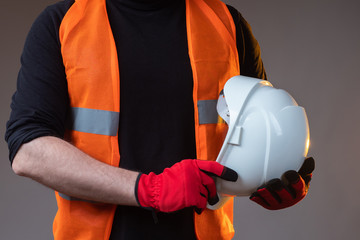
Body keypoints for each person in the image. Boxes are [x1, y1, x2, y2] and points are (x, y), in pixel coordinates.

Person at [5, 0, 314, 239]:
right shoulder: (63, 23)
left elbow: (261, 128)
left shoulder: (227, 26)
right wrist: (149, 189)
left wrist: (273, 174)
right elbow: (29, 152)